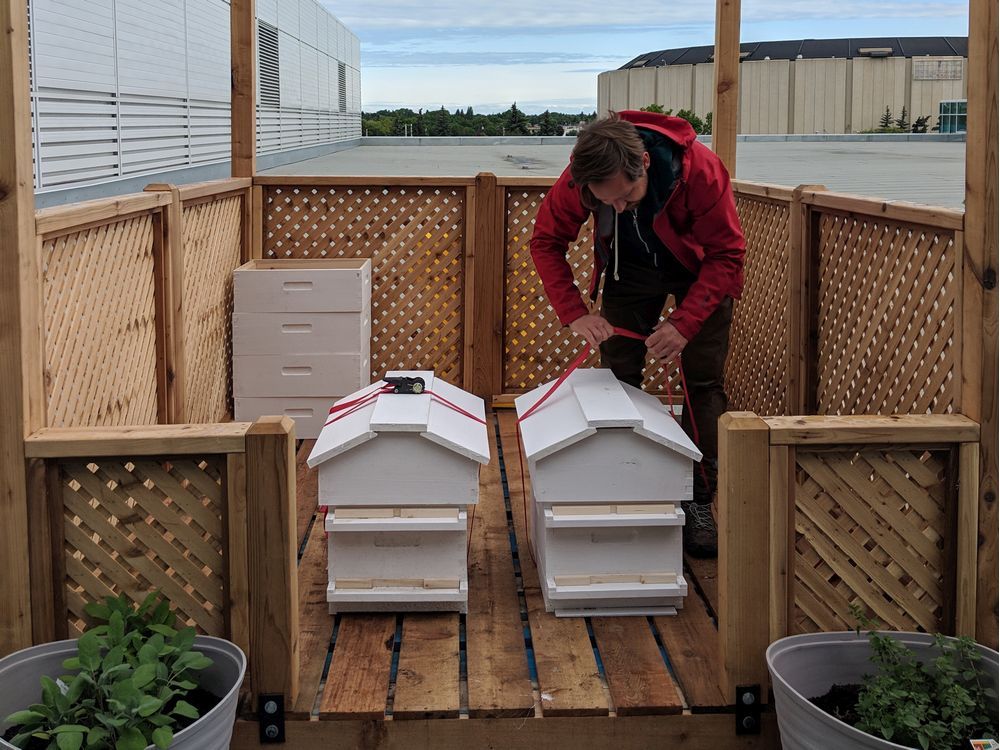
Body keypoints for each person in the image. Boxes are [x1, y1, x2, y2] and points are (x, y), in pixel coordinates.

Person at [529, 110, 746, 558]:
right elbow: (546, 242)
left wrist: (684, 323)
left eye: (626, 196)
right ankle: (625, 478)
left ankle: (698, 498)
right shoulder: (581, 176)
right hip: (628, 270)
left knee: (702, 383)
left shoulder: (701, 171)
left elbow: (727, 253)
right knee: (618, 375)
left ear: (644, 162)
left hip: (701, 271)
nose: (618, 208)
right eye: (605, 202)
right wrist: (574, 313)